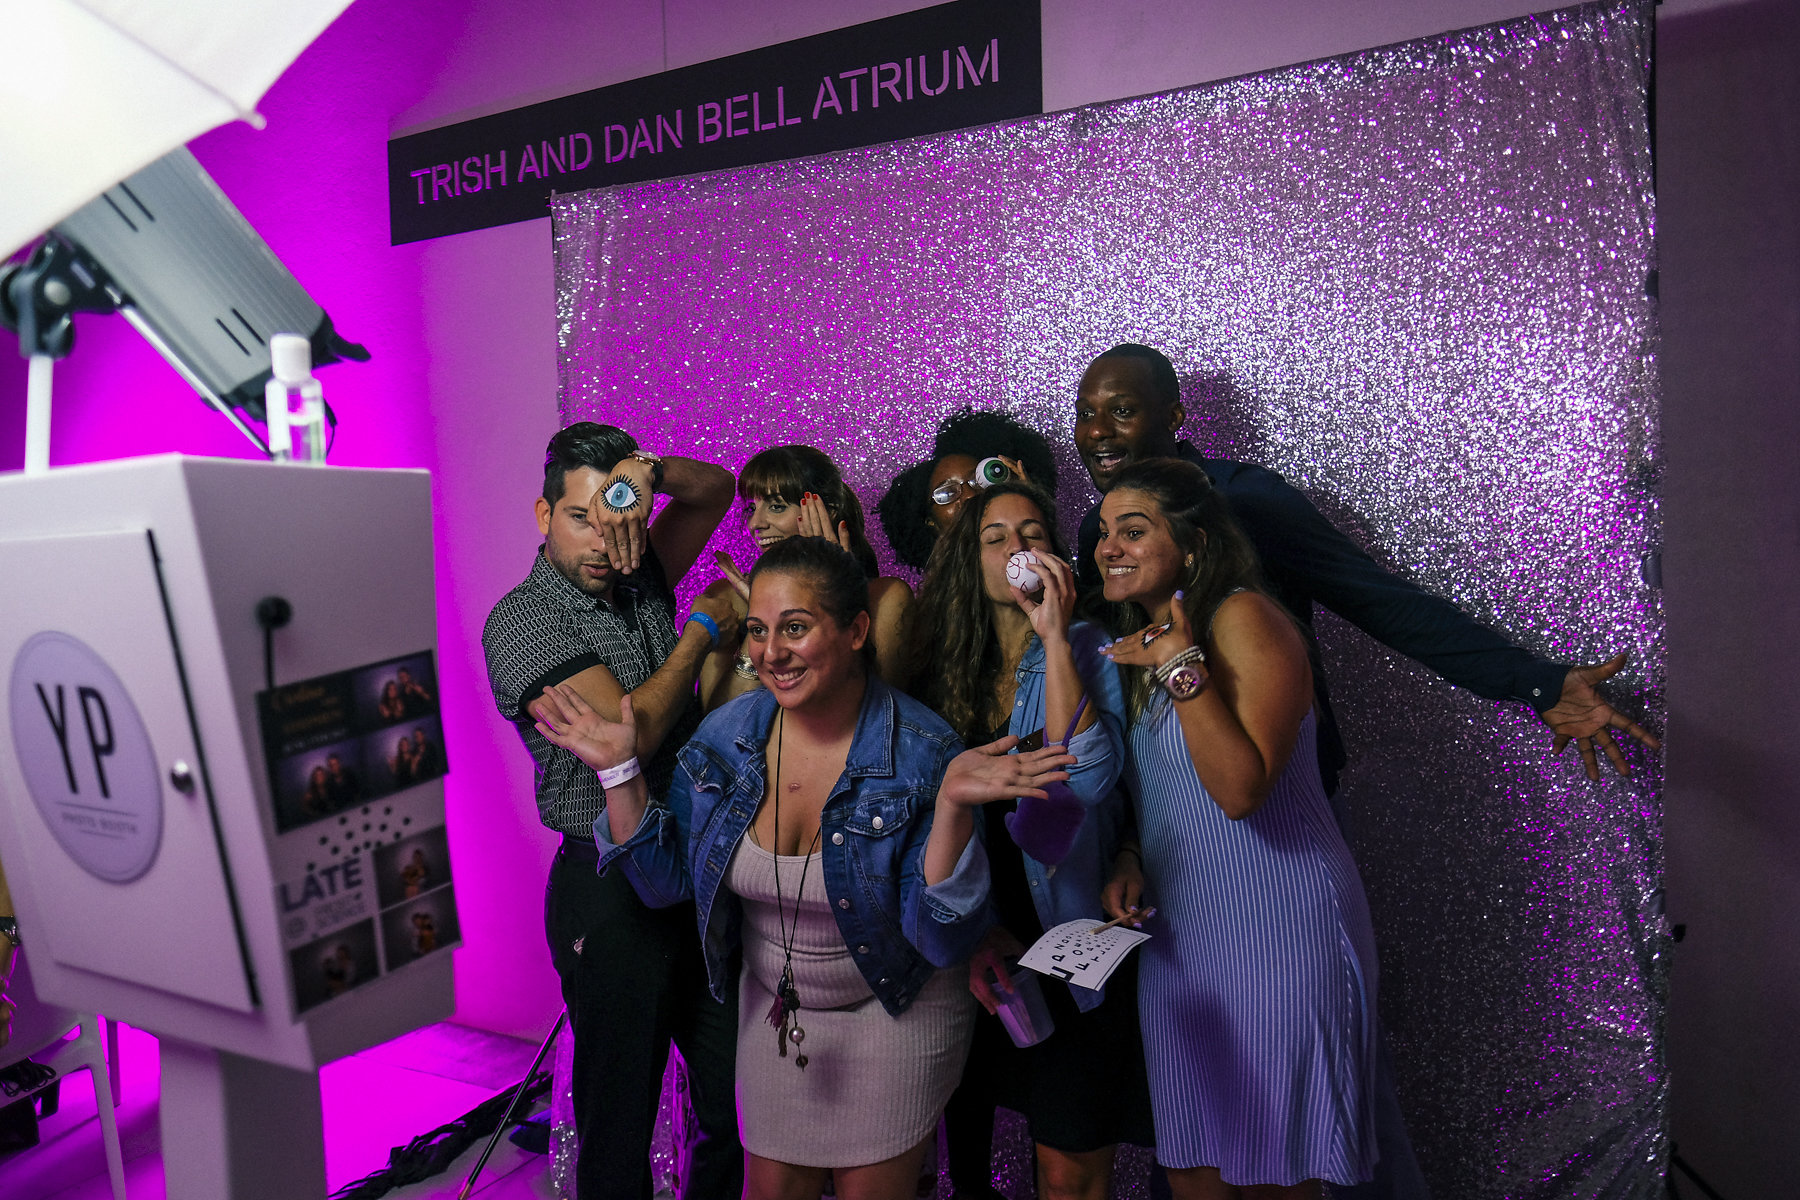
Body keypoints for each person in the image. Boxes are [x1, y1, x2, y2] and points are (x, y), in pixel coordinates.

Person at [533, 536, 1076, 1200]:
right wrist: (620, 774)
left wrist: (955, 808)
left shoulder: (924, 751)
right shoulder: (726, 738)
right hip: (778, 1012)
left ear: (855, 632)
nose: (769, 653)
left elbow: (940, 939)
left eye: (795, 628)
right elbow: (663, 883)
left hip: (895, 1007)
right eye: (758, 631)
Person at [1072, 343, 1660, 789]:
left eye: (1121, 411)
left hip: (1272, 776)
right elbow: (1103, 670)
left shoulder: (1243, 501)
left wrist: (1536, 681)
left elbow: (1380, 601)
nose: (1097, 431)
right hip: (1157, 792)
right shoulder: (1091, 532)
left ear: (1173, 417)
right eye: (1086, 413)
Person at [1094, 457, 1381, 1199]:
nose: (1108, 548)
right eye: (1103, 532)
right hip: (1183, 941)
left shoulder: (1245, 619)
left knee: (1273, 1176)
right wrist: (1130, 852)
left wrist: (1182, 667)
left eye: (1133, 530)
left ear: (1192, 545)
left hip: (1280, 932)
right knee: (1192, 1168)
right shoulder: (1139, 640)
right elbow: (1162, 791)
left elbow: (1239, 790)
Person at [482, 421, 744, 1200]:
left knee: (734, 1108)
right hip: (609, 888)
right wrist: (698, 635)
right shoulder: (523, 620)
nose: (602, 537)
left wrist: (649, 474)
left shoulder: (634, 570)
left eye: (615, 511)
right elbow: (628, 730)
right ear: (542, 517)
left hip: (697, 870)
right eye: (580, 516)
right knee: (619, 1121)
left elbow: (720, 488)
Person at [905, 481, 1151, 1200]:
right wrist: (976, 937)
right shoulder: (936, 664)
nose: (1018, 549)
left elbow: (1096, 778)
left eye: (1033, 532)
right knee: (971, 1150)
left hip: (1072, 940)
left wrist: (1052, 634)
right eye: (996, 537)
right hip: (977, 952)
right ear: (969, 562)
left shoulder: (1088, 646)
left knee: (1069, 1166)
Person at [698, 445, 911, 710]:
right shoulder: (728, 599)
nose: (755, 524)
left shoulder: (886, 596)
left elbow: (873, 715)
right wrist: (763, 619)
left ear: (827, 512)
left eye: (776, 506)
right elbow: (718, 724)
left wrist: (829, 595)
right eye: (752, 508)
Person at [878, 407, 1059, 571]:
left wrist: (1028, 500)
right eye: (946, 493)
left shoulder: (1033, 561)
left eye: (978, 481)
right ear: (930, 521)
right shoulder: (934, 604)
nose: (970, 496)